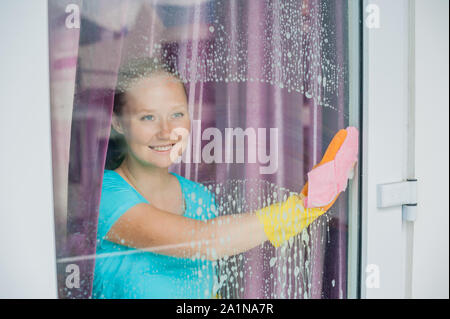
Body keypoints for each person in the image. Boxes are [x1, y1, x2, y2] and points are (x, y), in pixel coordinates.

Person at [92, 57, 358, 299]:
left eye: (177, 114)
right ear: (118, 123)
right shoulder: (105, 195)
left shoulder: (199, 198)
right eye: (148, 117)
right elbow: (205, 242)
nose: (166, 131)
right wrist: (301, 209)